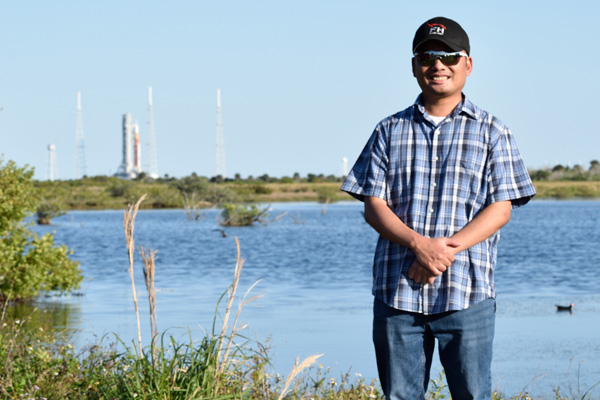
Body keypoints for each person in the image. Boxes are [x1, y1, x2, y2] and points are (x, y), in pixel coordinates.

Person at [341, 16, 536, 400]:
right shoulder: (388, 130)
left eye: (449, 56)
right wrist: (418, 245)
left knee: (472, 395)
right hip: (397, 292)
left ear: (468, 64)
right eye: (428, 56)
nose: (438, 65)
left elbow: (501, 208)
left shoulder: (493, 131)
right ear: (415, 65)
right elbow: (372, 205)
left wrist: (441, 253)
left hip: (467, 294)